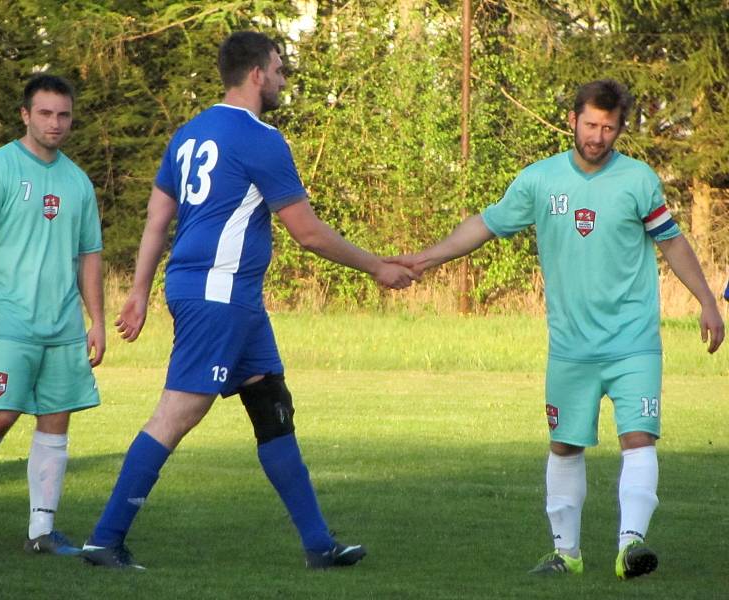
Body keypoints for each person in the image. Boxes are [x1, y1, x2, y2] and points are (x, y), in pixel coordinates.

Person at [80, 31, 416, 570]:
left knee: (271, 405)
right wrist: (377, 265)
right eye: (279, 69)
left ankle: (318, 545)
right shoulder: (261, 138)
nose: (284, 78)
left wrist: (140, 291)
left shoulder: (189, 134)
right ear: (258, 74)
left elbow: (156, 219)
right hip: (219, 293)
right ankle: (105, 538)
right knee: (176, 414)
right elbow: (307, 232)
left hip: (223, 294)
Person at [391, 79, 725, 579]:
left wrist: (707, 302)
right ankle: (565, 554)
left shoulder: (638, 180)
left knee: (639, 438)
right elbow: (484, 224)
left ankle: (631, 546)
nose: (598, 136)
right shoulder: (539, 181)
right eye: (590, 124)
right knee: (565, 444)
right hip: (571, 346)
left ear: (619, 129)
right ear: (572, 120)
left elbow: (672, 243)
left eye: (608, 128)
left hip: (633, 340)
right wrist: (426, 258)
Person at [0, 74, 105, 556]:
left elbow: (89, 254)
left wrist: (95, 319)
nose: (55, 123)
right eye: (46, 113)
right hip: (7, 320)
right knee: (1, 415)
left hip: (62, 326)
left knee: (56, 420)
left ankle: (41, 533)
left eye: (64, 114)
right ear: (25, 115)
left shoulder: (77, 181)